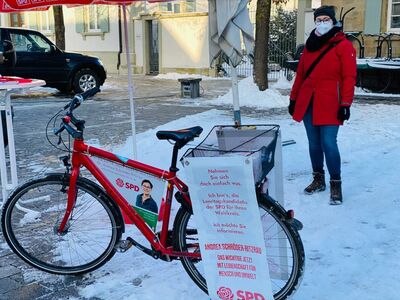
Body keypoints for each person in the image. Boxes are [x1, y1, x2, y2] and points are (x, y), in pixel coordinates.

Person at [288, 5, 357, 205]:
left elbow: (349, 77)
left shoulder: (344, 46)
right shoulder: (310, 46)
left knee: (329, 143)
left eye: (326, 19)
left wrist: (345, 103)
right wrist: (293, 99)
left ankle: (336, 183)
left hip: (331, 103)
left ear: (333, 21)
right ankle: (318, 179)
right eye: (319, 19)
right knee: (314, 144)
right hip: (308, 101)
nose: (322, 22)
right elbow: (300, 75)